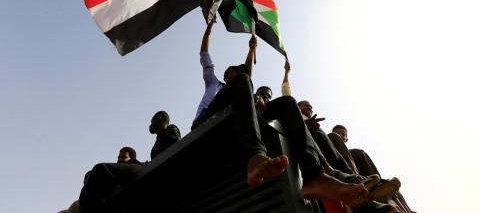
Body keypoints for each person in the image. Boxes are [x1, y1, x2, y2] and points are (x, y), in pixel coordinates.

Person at [195, 35, 370, 206]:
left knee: (287, 102)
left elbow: (247, 73)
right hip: (208, 122)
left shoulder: (245, 92)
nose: (244, 73)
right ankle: (256, 154)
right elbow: (210, 58)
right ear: (227, 74)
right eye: (237, 71)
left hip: (238, 120)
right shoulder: (214, 83)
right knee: (244, 80)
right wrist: (210, 29)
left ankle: (314, 176)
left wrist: (252, 48)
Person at [79, 111, 180, 213]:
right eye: (118, 157)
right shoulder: (158, 140)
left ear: (160, 118)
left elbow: (173, 151)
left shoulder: (171, 129)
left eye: (151, 121)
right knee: (88, 185)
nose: (150, 125)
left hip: (145, 169)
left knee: (99, 169)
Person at [332, 125, 415, 213]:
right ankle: (358, 180)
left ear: (346, 139)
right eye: (337, 133)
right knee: (357, 153)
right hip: (343, 174)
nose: (340, 135)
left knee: (396, 192)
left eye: (343, 134)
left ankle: (380, 185)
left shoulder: (350, 155)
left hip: (366, 179)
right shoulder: (331, 146)